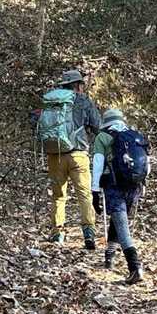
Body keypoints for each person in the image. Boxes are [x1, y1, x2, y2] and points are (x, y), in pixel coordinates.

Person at [37, 68, 102, 249]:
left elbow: (36, 123)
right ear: (78, 85)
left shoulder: (51, 101)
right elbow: (97, 126)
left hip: (55, 154)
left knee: (58, 196)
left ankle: (58, 234)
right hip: (78, 155)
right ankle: (88, 233)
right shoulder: (83, 101)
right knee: (84, 194)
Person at [90, 106, 149, 285]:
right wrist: (143, 183)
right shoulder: (134, 135)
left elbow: (98, 164)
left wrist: (94, 191)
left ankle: (134, 267)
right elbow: (146, 163)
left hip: (113, 184)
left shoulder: (102, 137)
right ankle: (110, 255)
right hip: (134, 185)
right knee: (119, 220)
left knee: (122, 224)